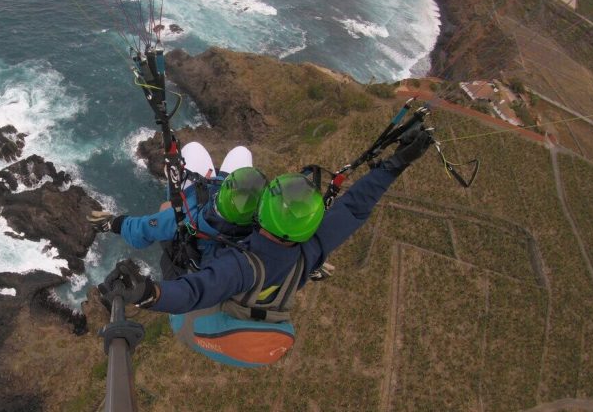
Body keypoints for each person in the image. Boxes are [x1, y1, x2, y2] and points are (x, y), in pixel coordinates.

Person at [97, 126, 434, 365]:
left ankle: (204, 176)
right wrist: (395, 165)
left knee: (172, 204)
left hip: (199, 309)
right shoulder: (311, 247)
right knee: (237, 154)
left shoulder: (241, 264)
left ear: (261, 214)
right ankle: (213, 173)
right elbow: (355, 206)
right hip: (262, 288)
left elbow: (193, 292)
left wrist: (147, 293)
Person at [87, 142, 267, 272]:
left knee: (194, 148)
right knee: (242, 152)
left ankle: (201, 180)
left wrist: (112, 223)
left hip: (200, 206)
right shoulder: (261, 226)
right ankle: (219, 181)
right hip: (228, 211)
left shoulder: (191, 217)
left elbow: (142, 230)